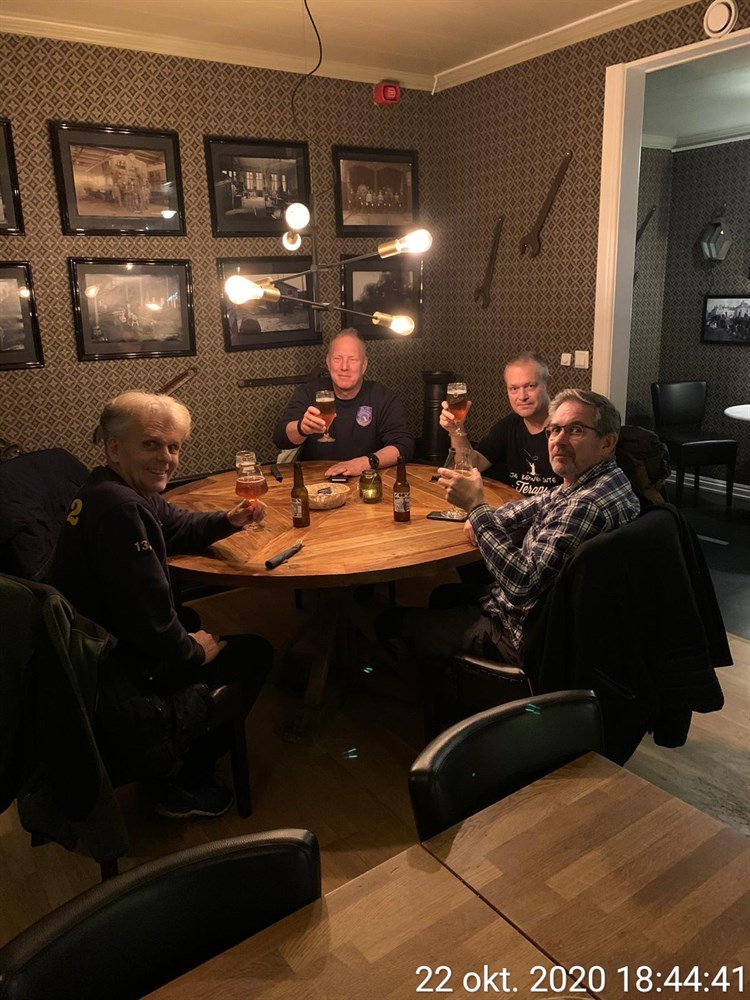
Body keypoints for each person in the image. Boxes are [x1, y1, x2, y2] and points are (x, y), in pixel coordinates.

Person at [52, 391, 273, 819]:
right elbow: (150, 622)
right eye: (151, 444)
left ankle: (177, 750)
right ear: (115, 447)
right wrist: (194, 652)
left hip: (92, 653)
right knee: (255, 653)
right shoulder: (121, 511)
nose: (167, 458)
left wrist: (228, 520)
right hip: (117, 673)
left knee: (188, 617)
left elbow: (176, 525)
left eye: (173, 447)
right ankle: (187, 781)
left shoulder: (109, 488)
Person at [380, 389, 640, 669]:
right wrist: (486, 517)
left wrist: (476, 508)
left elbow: (522, 585)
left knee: (389, 621)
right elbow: (538, 503)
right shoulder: (604, 480)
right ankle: (441, 675)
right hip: (558, 615)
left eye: (575, 430)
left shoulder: (585, 506)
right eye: (554, 430)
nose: (559, 440)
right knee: (443, 595)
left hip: (524, 635)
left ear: (607, 442)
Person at [272, 329, 415, 477]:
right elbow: (280, 438)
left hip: (367, 480)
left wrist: (367, 462)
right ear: (328, 362)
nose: (344, 367)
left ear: (364, 365)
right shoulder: (309, 392)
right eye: (337, 359)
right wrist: (301, 428)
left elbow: (404, 445)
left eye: (352, 359)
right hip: (317, 480)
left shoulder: (382, 396)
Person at [440, 352, 561, 496]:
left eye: (530, 386)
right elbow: (473, 465)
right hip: (514, 506)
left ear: (548, 383)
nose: (522, 396)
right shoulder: (509, 425)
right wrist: (456, 429)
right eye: (514, 389)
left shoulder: (565, 429)